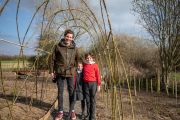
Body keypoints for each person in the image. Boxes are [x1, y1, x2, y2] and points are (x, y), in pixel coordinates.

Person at [50, 29, 79, 120]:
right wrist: (51, 71)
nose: (69, 38)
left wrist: (76, 68)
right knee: (60, 92)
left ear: (72, 38)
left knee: (72, 92)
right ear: (64, 36)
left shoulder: (75, 48)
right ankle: (60, 112)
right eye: (67, 36)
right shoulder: (57, 47)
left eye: (70, 37)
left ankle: (72, 111)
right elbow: (52, 60)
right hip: (60, 73)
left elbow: (77, 60)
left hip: (71, 73)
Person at [83, 53, 101, 120]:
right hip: (85, 84)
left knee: (92, 100)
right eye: (87, 58)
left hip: (93, 84)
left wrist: (99, 85)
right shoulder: (84, 65)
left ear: (92, 58)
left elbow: (98, 75)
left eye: (90, 58)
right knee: (87, 100)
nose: (89, 59)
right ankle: (88, 114)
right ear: (85, 59)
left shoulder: (95, 65)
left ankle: (92, 116)